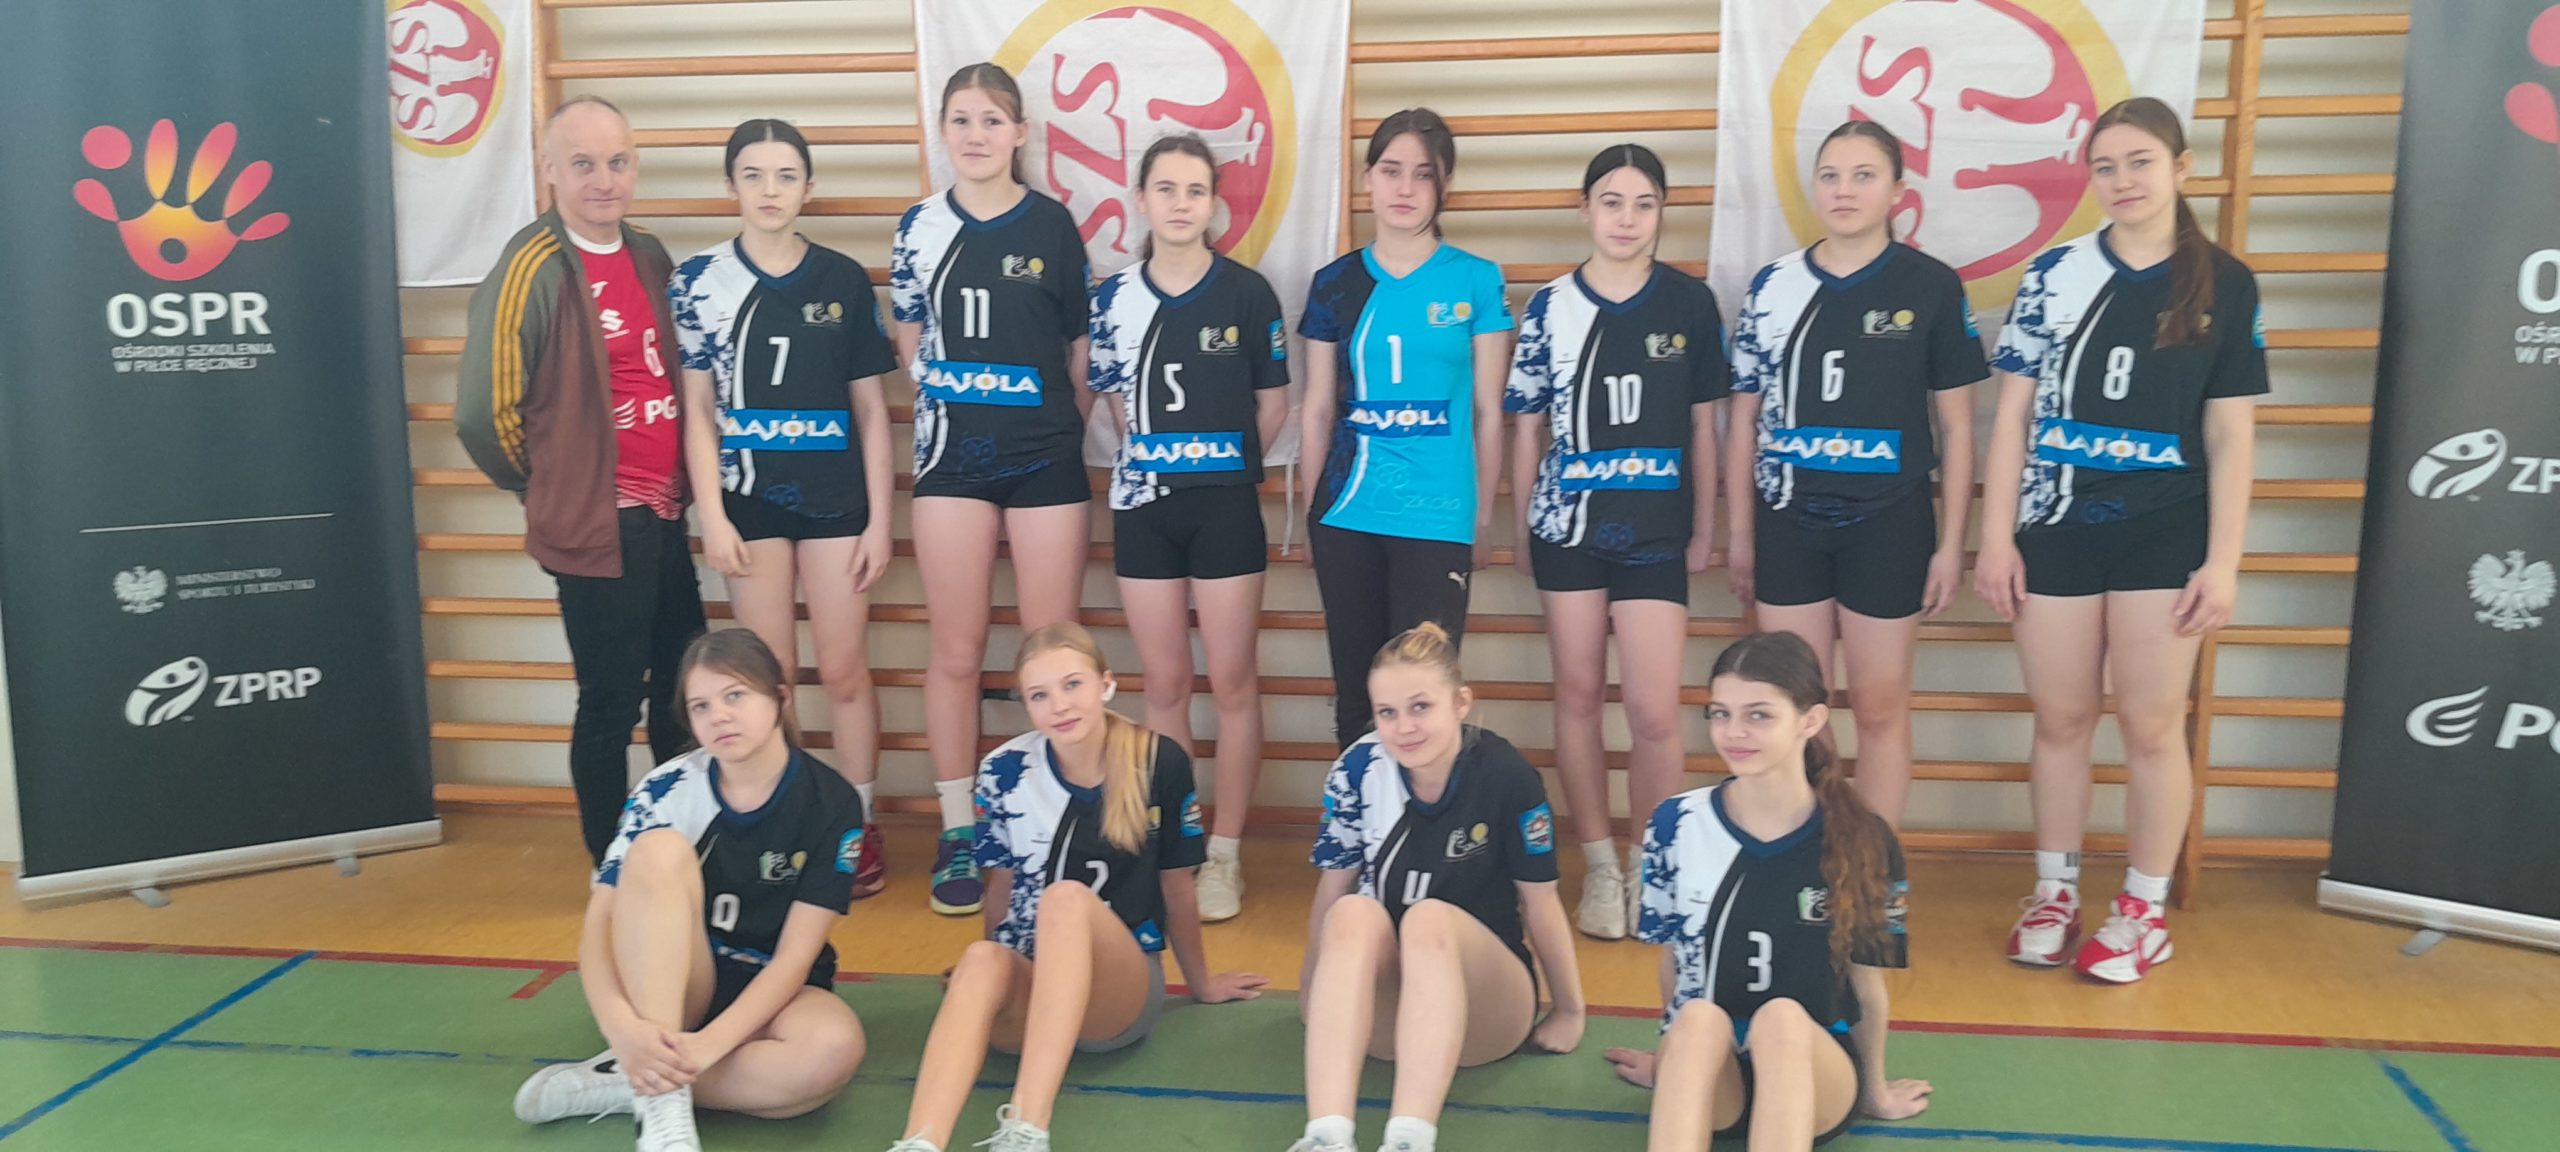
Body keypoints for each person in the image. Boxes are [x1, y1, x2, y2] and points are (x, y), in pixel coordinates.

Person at [1973, 97, 2266, 981]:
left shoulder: (2225, 282)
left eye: (2139, 161)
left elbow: (2230, 433)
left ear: (2180, 167)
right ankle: (2054, 891)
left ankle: (2141, 910)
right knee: (2062, 720)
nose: (2123, 180)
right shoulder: (2053, 275)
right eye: (2105, 166)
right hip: (2057, 528)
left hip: (2165, 535)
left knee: (2150, 726)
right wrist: (1996, 538)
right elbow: (2011, 416)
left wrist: (2224, 561)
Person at [885, 623, 1265, 1152]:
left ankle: (1026, 1130)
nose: (1059, 706)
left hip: (1118, 995)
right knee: (979, 958)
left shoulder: (1158, 761)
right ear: (1026, 705)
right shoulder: (1003, 771)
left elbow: (1176, 885)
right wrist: (987, 983)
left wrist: (1200, 983)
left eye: (1072, 685)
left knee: (1063, 900)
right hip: (1033, 983)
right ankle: (919, 1142)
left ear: (1105, 684)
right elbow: (1001, 888)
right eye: (1040, 695)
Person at [456, 95, 706, 863]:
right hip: (598, 525)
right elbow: (483, 414)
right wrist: (555, 487)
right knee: (609, 699)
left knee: (681, 688)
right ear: (550, 170)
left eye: (618, 162)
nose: (604, 180)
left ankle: (677, 843)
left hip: (664, 514)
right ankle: (613, 862)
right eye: (584, 164)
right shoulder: (531, 266)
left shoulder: (650, 254)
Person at [510, 628, 868, 1152]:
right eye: (701, 706)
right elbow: (599, 926)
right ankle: (661, 1109)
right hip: (677, 981)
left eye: (735, 695)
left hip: (774, 988)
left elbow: (795, 957)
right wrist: (621, 1029)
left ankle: (628, 1081)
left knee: (830, 1054)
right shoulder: (667, 789)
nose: (719, 716)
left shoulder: (831, 802)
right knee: (658, 851)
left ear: (780, 697)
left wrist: (708, 1048)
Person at [1724, 121, 1989, 827]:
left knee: (1879, 707)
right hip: (1789, 522)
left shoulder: (1931, 286)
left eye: (1863, 175)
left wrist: (1950, 545)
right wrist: (1741, 534)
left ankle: (1875, 870)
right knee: (1793, 709)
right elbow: (1742, 420)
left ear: (1898, 191)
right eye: (1831, 176)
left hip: (1890, 521)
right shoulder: (1774, 286)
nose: (1844, 190)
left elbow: (1957, 427)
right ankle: (1802, 856)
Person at [669, 118, 900, 897]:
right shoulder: (698, 281)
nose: (770, 190)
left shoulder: (842, 279)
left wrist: (880, 521)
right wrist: (713, 514)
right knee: (770, 681)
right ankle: (790, 825)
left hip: (837, 507)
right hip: (749, 505)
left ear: (808, 186)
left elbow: (871, 413)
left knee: (843, 669)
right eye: (754, 175)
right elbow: (698, 411)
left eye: (786, 175)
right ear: (730, 185)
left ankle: (859, 826)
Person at [1506, 143, 1728, 940]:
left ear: (1662, 212)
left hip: (1657, 534)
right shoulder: (1550, 307)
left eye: (1643, 203)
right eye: (1611, 201)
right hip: (1567, 530)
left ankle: (1651, 867)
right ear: (1585, 211)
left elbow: (1704, 428)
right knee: (1576, 695)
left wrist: (1706, 526)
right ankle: (1601, 867)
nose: (1627, 219)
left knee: (1653, 712)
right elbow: (1526, 429)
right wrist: (1523, 526)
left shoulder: (1690, 304)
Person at [891, 63, 1097, 916]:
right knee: (956, 649)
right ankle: (959, 830)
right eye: (961, 119)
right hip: (953, 462)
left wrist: (1054, 426)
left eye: (991, 119)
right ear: (942, 131)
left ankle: (1046, 821)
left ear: (1019, 134)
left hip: (1046, 459)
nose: (975, 134)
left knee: (1052, 657)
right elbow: (910, 337)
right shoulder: (919, 227)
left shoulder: (1052, 225)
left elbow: (1079, 354)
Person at [1601, 630, 1931, 1150]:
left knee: (1780, 1018)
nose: (1734, 732)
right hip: (1722, 1074)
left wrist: (1875, 1091)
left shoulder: (1862, 837)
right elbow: (1676, 965)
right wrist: (1674, 1059)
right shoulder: (1675, 824)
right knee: (1697, 1017)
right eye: (1720, 713)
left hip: (1817, 1072)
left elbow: (1866, 984)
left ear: (1810, 721)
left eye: (1758, 715)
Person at [1090, 134, 1291, 922]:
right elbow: (1115, 405)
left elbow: (1272, 406)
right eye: (1166, 189)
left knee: (1233, 683)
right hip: (1145, 508)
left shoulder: (1247, 294)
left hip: (1225, 508)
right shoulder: (1113, 299)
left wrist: (1220, 466)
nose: (1180, 204)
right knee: (1166, 684)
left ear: (1214, 205)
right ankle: (1177, 841)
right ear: (1141, 200)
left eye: (1195, 190)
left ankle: (1226, 854)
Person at [1289, 622, 1586, 1152]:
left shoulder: (1506, 774)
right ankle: (1327, 1134)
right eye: (1387, 713)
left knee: (1427, 917)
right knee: (1354, 911)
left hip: (1488, 1010)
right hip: (1394, 1011)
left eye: (1421, 707)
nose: (1404, 727)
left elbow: (1540, 901)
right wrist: (1314, 986)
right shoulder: (1358, 769)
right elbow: (1333, 886)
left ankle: (1410, 1138)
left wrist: (1569, 1009)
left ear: (1461, 703)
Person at [1296, 108, 1516, 750]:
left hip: (1438, 517)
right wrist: (1314, 514)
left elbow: (1488, 413)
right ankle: (1361, 818)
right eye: (1391, 170)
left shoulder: (1477, 279)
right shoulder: (1334, 284)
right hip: (1348, 512)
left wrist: (1481, 517)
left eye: (1423, 174)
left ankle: (1424, 816)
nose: (1404, 187)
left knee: (1424, 699)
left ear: (1444, 185)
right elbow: (1317, 409)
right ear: (1368, 177)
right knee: (1358, 696)